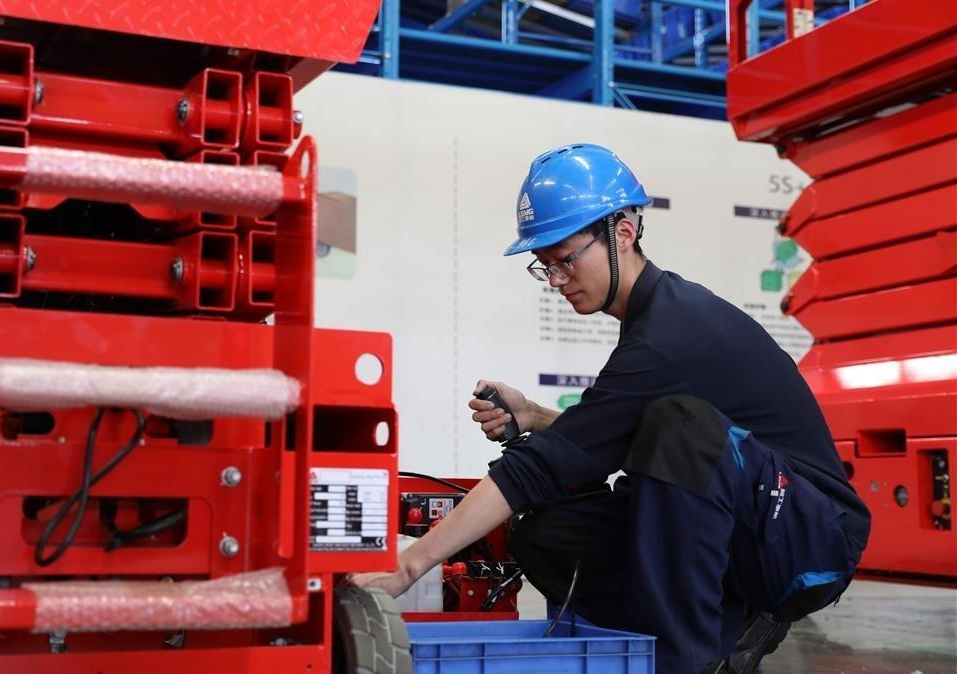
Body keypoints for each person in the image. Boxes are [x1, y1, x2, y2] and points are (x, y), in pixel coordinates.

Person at [351, 144, 870, 673]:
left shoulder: (672, 334)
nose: (556, 281)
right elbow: (606, 435)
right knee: (548, 536)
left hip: (812, 544)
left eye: (566, 259)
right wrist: (533, 415)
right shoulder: (652, 327)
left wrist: (410, 564)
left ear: (622, 231)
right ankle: (713, 621)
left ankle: (688, 659)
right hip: (756, 522)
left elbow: (544, 465)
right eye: (544, 266)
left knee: (680, 425)